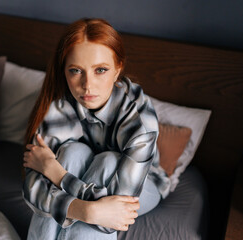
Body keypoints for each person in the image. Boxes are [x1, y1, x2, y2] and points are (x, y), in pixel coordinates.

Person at [22, 18, 170, 240]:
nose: (87, 85)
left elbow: (112, 219)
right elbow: (32, 190)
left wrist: (58, 174)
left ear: (118, 69)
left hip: (146, 185)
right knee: (73, 152)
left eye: (100, 70)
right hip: (87, 180)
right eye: (75, 71)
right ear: (64, 71)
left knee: (109, 160)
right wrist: (87, 210)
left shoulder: (139, 118)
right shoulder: (61, 108)